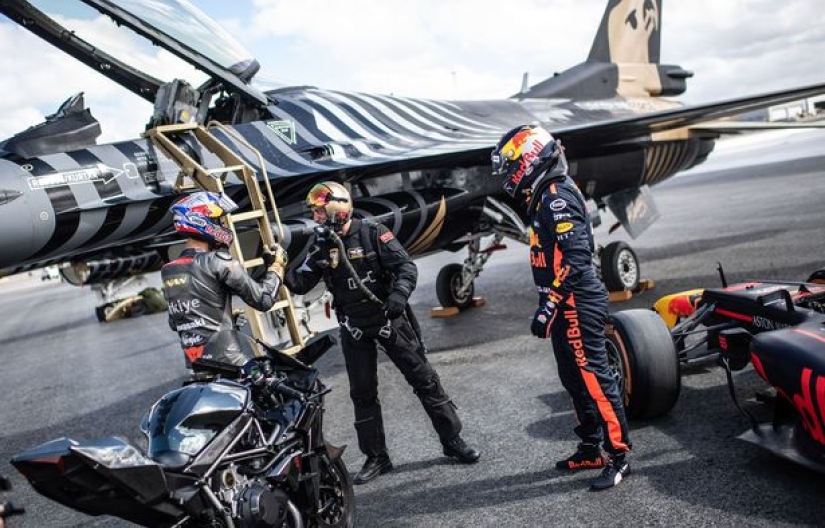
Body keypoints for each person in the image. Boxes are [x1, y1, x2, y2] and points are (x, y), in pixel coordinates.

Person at [285, 181, 480, 484]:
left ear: (338, 206)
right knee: (362, 394)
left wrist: (398, 296)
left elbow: (406, 268)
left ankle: (452, 440)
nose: (316, 217)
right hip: (354, 327)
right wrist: (285, 262)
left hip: (390, 320)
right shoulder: (321, 244)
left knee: (425, 381)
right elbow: (298, 284)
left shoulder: (373, 232)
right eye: (314, 212)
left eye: (319, 211)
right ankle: (377, 456)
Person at [491, 124, 632, 491]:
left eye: (510, 163)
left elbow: (577, 258)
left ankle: (619, 457)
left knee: (595, 379)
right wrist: (550, 302)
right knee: (573, 379)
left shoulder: (556, 197)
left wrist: (550, 302)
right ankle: (589, 448)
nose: (506, 172)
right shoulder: (542, 196)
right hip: (562, 303)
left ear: (530, 158)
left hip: (577, 302)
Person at [161, 191, 287, 372]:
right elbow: (263, 299)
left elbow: (176, 321)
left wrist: (222, 317)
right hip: (231, 363)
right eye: (219, 221)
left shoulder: (169, 269)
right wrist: (277, 266)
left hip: (196, 367)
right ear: (201, 221)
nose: (222, 226)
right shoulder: (218, 260)